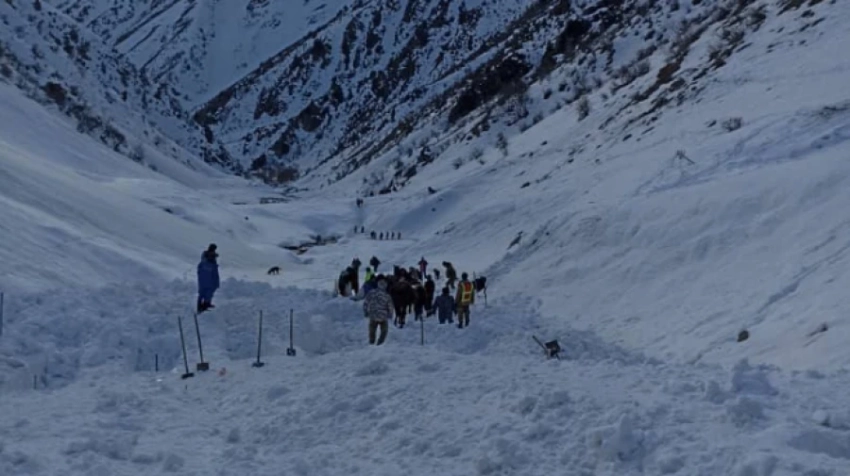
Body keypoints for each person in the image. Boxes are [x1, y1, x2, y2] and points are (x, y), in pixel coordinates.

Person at [364, 276, 393, 345]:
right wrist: (390, 314)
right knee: (384, 331)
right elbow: (390, 306)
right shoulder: (387, 295)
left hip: (373, 315)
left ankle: (371, 341)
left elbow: (366, 302)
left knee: (372, 330)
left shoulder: (371, 293)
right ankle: (380, 342)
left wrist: (366, 311)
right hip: (383, 316)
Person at [197, 244, 220, 313]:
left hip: (204, 279)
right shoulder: (210, 261)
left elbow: (199, 270)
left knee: (205, 292)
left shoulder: (204, 260)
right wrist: (216, 282)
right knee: (206, 292)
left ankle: (204, 305)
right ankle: (203, 306)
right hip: (208, 279)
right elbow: (214, 273)